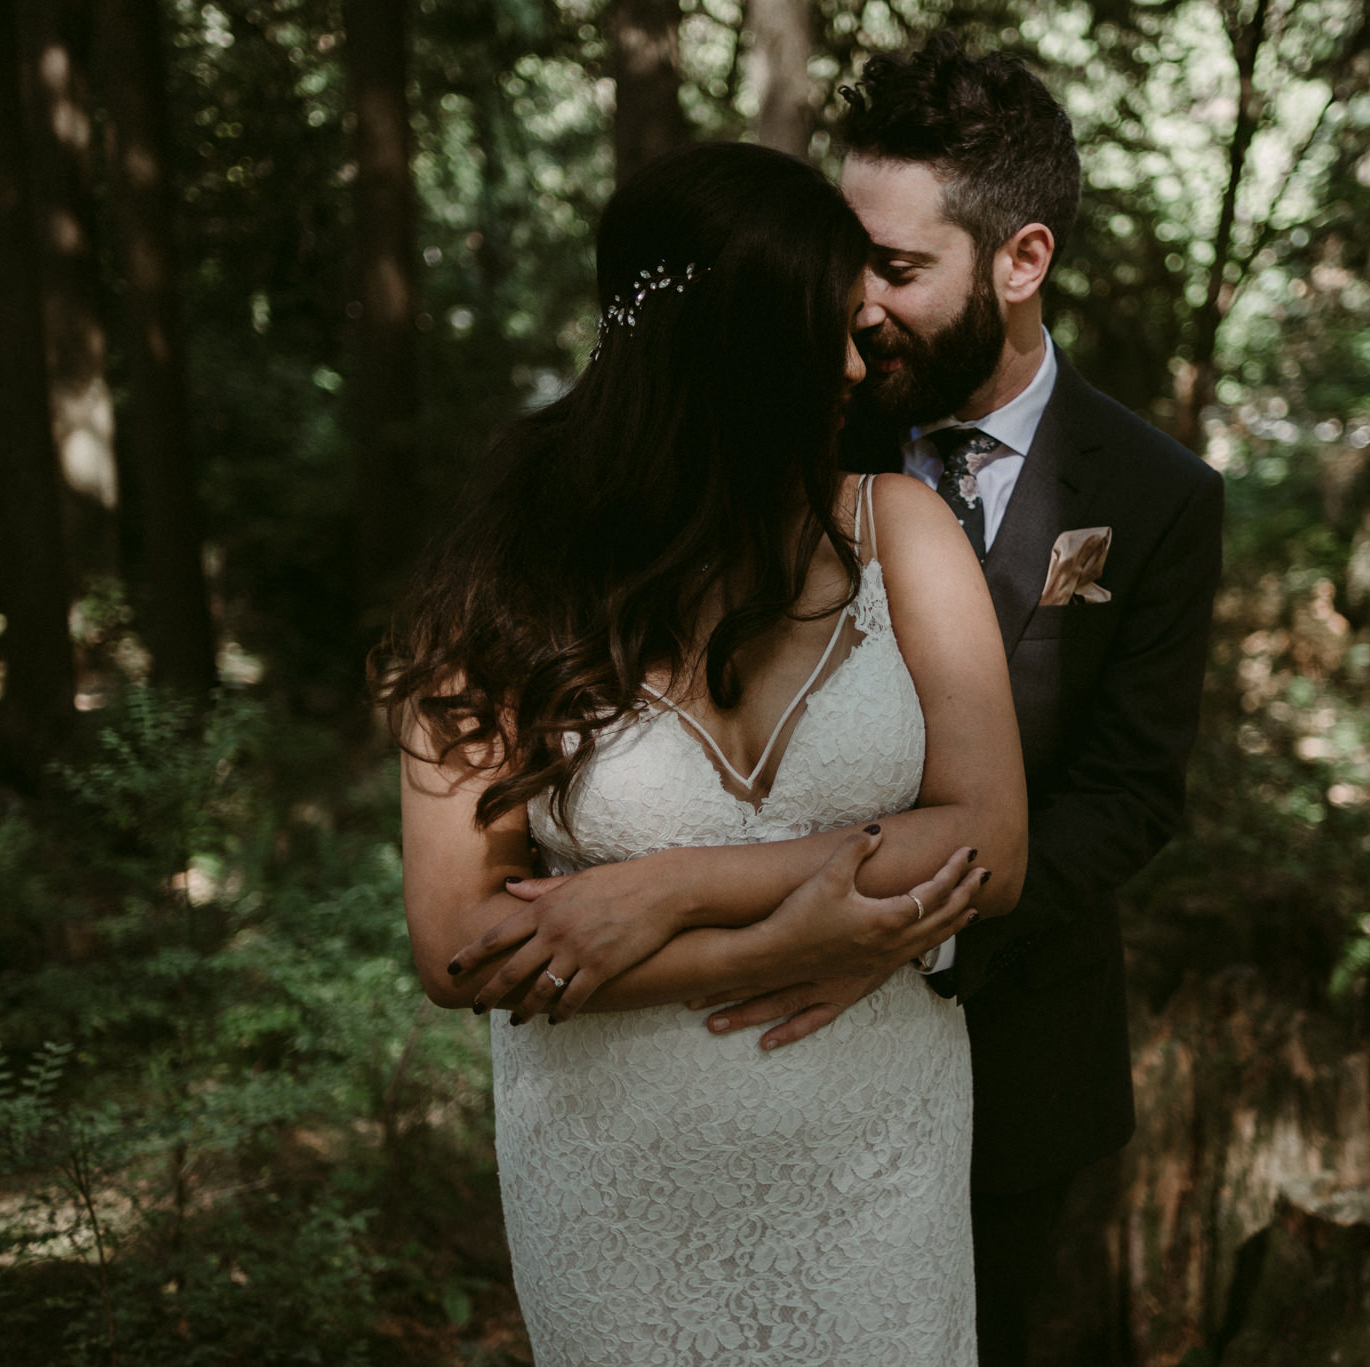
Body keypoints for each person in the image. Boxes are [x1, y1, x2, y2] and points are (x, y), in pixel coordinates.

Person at [379, 141, 1026, 1366]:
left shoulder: (898, 529)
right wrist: (787, 940)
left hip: (876, 1168)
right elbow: (458, 944)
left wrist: (667, 887)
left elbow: (990, 839)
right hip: (617, 1181)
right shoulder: (502, 580)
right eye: (821, 330)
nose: (856, 361)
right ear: (721, 350)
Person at [807, 33, 1224, 1366]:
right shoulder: (806, 437)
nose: (857, 301)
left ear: (1022, 259)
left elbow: (1132, 792)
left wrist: (921, 919)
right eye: (846, 254)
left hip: (1015, 1055)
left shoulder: (1159, 497)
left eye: (898, 266)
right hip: (779, 1031)